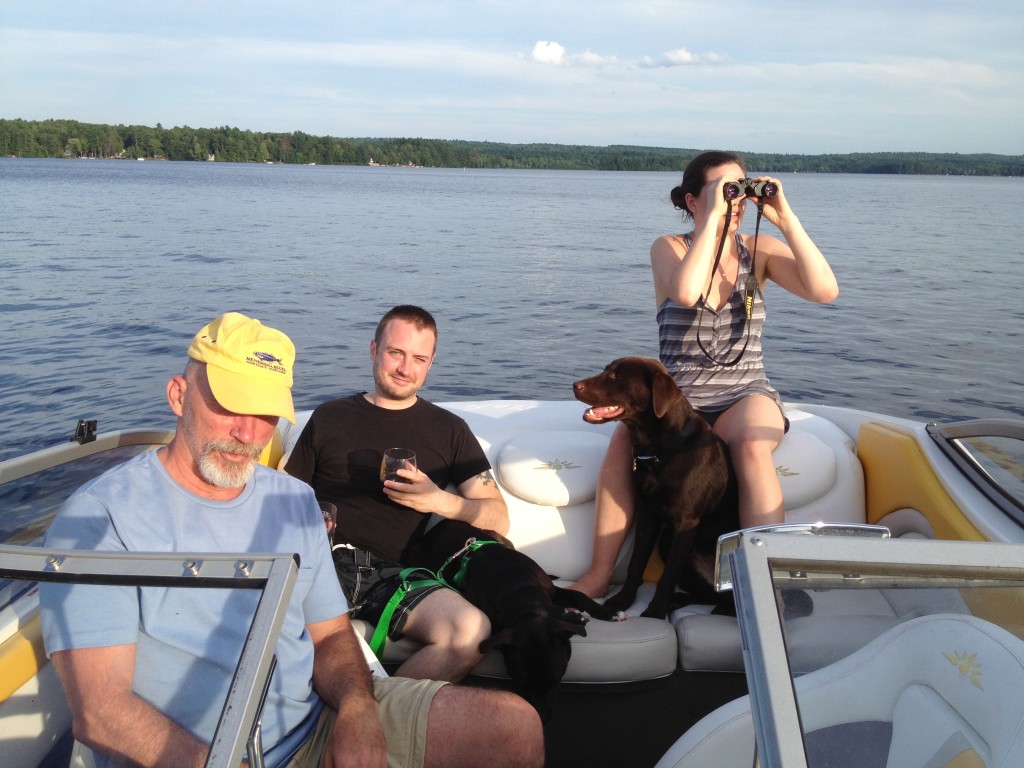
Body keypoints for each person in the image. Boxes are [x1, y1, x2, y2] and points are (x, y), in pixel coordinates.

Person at [40, 312, 543, 768]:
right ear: (178, 395)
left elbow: (329, 635)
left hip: (314, 721)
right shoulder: (100, 517)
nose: (247, 432)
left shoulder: (292, 500)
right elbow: (102, 713)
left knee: (515, 729)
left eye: (264, 413)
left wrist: (358, 706)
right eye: (227, 405)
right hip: (196, 754)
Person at [571, 150, 839, 599]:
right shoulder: (669, 248)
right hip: (679, 400)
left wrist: (785, 217)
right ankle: (600, 573)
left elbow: (824, 290)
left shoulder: (760, 251)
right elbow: (685, 291)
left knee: (752, 444)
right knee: (623, 443)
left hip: (745, 394)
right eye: (722, 191)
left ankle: (765, 582)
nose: (735, 203)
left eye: (740, 190)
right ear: (693, 201)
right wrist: (713, 220)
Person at [284, 305, 508, 683]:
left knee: (470, 631)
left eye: (419, 358)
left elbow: (498, 517)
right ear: (374, 350)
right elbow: (284, 496)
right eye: (396, 353)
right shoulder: (329, 416)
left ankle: (381, 720)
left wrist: (440, 500)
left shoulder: (450, 430)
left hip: (390, 573)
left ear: (431, 363)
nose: (406, 368)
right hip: (319, 558)